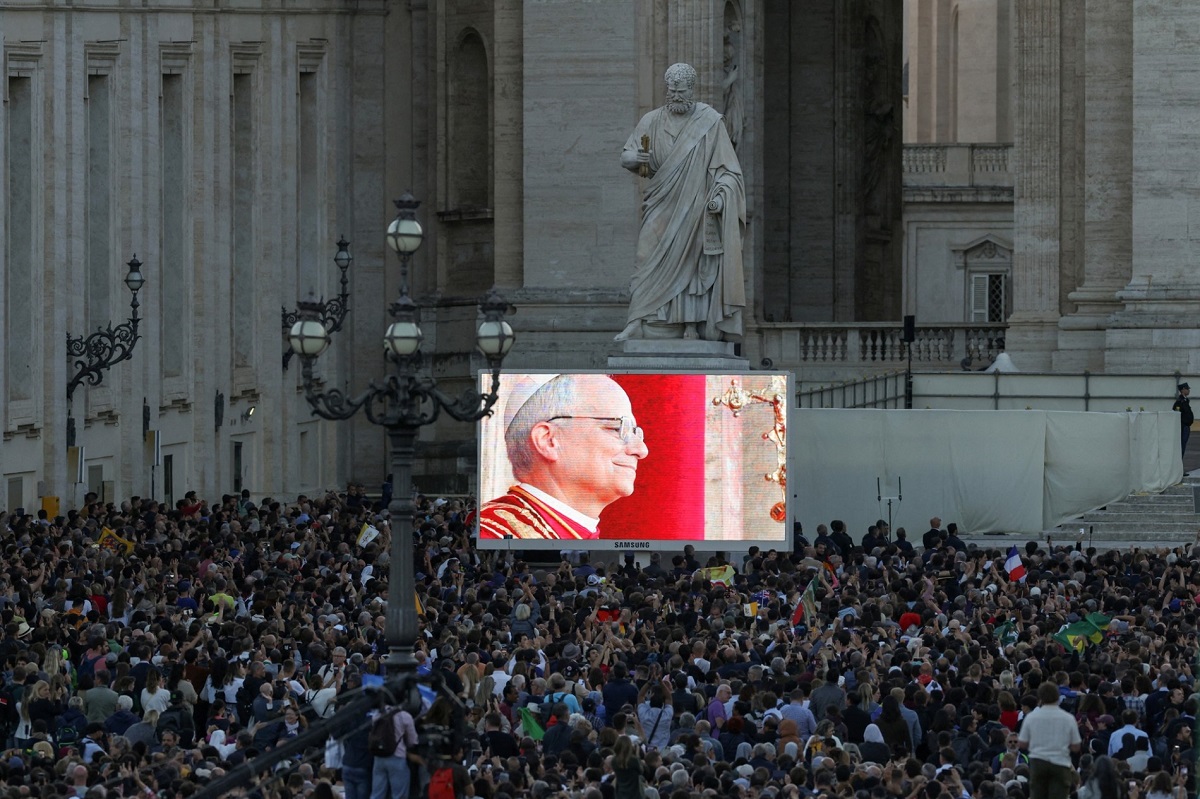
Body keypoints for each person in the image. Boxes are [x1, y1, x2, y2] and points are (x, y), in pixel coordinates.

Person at [616, 62, 746, 342]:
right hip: (661, 203)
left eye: (681, 91)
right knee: (645, 258)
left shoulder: (709, 122)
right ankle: (637, 320)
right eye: (672, 91)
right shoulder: (651, 120)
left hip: (696, 207)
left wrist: (722, 198)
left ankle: (690, 325)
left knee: (692, 266)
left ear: (692, 90)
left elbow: (729, 171)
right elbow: (627, 154)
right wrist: (633, 159)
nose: (676, 96)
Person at [479, 374, 649, 540]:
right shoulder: (490, 534)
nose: (641, 450)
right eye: (616, 428)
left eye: (634, 432)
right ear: (548, 440)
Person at [1018, 680, 1082, 799]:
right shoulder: (1067, 718)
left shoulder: (1031, 717)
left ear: (1040, 697)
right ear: (1057, 696)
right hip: (1060, 763)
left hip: (1038, 763)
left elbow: (1022, 743)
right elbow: (1076, 746)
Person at [1173, 382, 1193, 455]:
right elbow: (1176, 414)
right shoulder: (1179, 402)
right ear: (1183, 390)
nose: (1189, 390)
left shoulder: (1185, 400)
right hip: (1183, 427)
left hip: (1186, 426)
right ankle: (1179, 462)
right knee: (1181, 445)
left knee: (1183, 445)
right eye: (1187, 389)